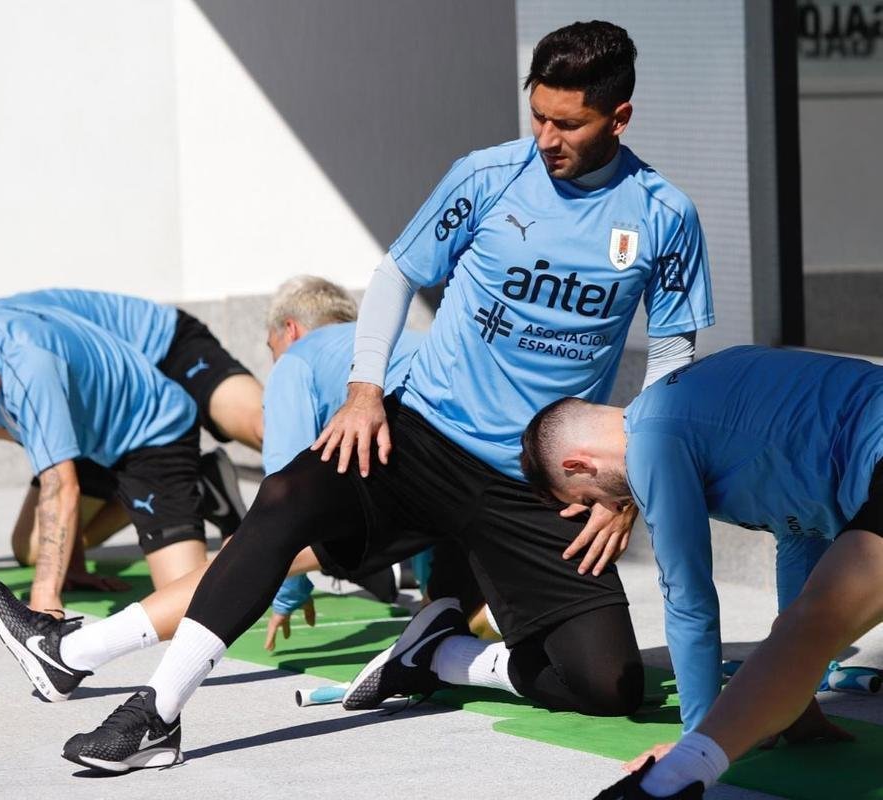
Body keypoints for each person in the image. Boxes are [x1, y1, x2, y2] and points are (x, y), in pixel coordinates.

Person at [42, 19, 717, 775]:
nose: (546, 138)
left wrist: (627, 484)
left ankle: (442, 655)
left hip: (535, 479)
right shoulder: (487, 177)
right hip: (419, 436)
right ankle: (156, 713)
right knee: (285, 496)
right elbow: (397, 274)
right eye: (537, 116)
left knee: (608, 686)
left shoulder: (662, 216)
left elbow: (671, 359)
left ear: (619, 118)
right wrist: (364, 391)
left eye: (569, 124)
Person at [0, 275, 425, 707]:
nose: (273, 359)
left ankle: (68, 654)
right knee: (448, 603)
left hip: (170, 373)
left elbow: (284, 507)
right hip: (445, 481)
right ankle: (438, 638)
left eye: (270, 348)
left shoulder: (299, 357)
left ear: (289, 331)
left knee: (247, 550)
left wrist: (287, 589)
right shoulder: (403, 342)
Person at [518, 346, 883, 800]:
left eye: (589, 499)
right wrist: (794, 693)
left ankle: (678, 779)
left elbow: (688, 598)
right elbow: (800, 534)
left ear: (578, 464)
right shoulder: (692, 404)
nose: (608, 508)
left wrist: (698, 740)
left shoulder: (652, 442)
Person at [0, 292, 250, 659]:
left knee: (192, 612)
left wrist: (45, 606)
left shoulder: (25, 359)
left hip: (149, 432)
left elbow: (60, 485)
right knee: (32, 550)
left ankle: (264, 543)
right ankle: (200, 489)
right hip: (83, 442)